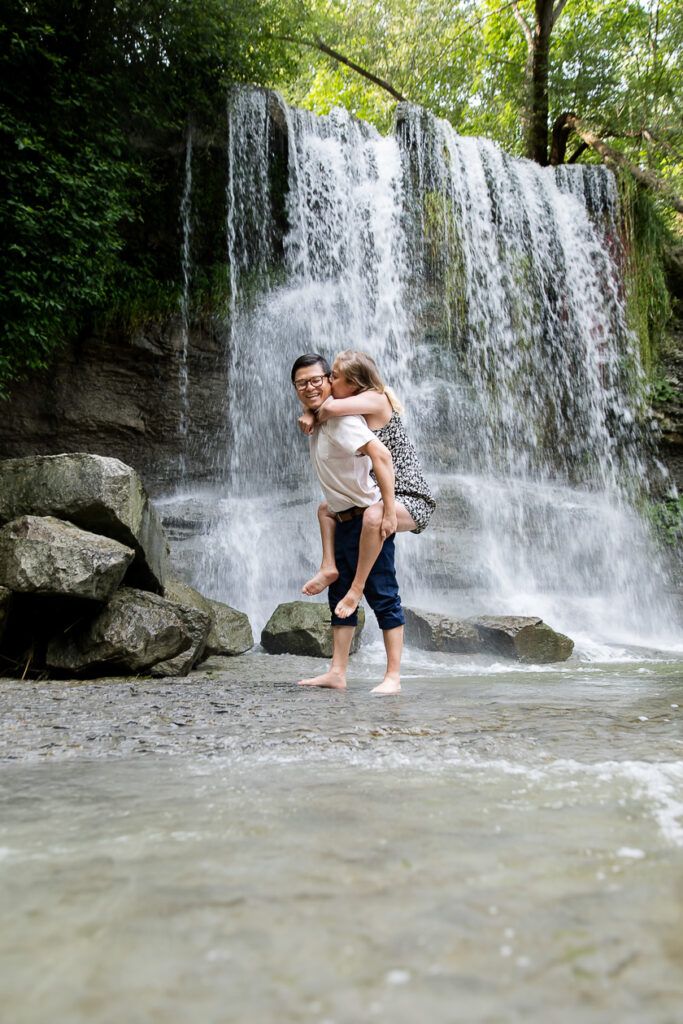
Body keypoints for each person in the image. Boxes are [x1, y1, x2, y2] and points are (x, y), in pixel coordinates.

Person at [291, 353, 405, 694]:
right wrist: (311, 412)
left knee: (382, 594)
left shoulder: (343, 420)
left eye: (316, 380)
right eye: (301, 383)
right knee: (339, 593)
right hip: (342, 516)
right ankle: (337, 672)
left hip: (366, 516)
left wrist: (386, 510)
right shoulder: (322, 418)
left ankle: (393, 677)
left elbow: (381, 456)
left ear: (330, 380)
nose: (310, 387)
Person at [298, 349, 435, 619]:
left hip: (411, 497)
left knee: (374, 516)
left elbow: (327, 407)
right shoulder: (359, 402)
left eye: (334, 377)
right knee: (327, 509)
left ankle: (356, 589)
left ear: (354, 384)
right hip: (382, 491)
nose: (328, 381)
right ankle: (329, 566)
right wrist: (312, 412)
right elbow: (325, 407)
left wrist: (309, 412)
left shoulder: (375, 398)